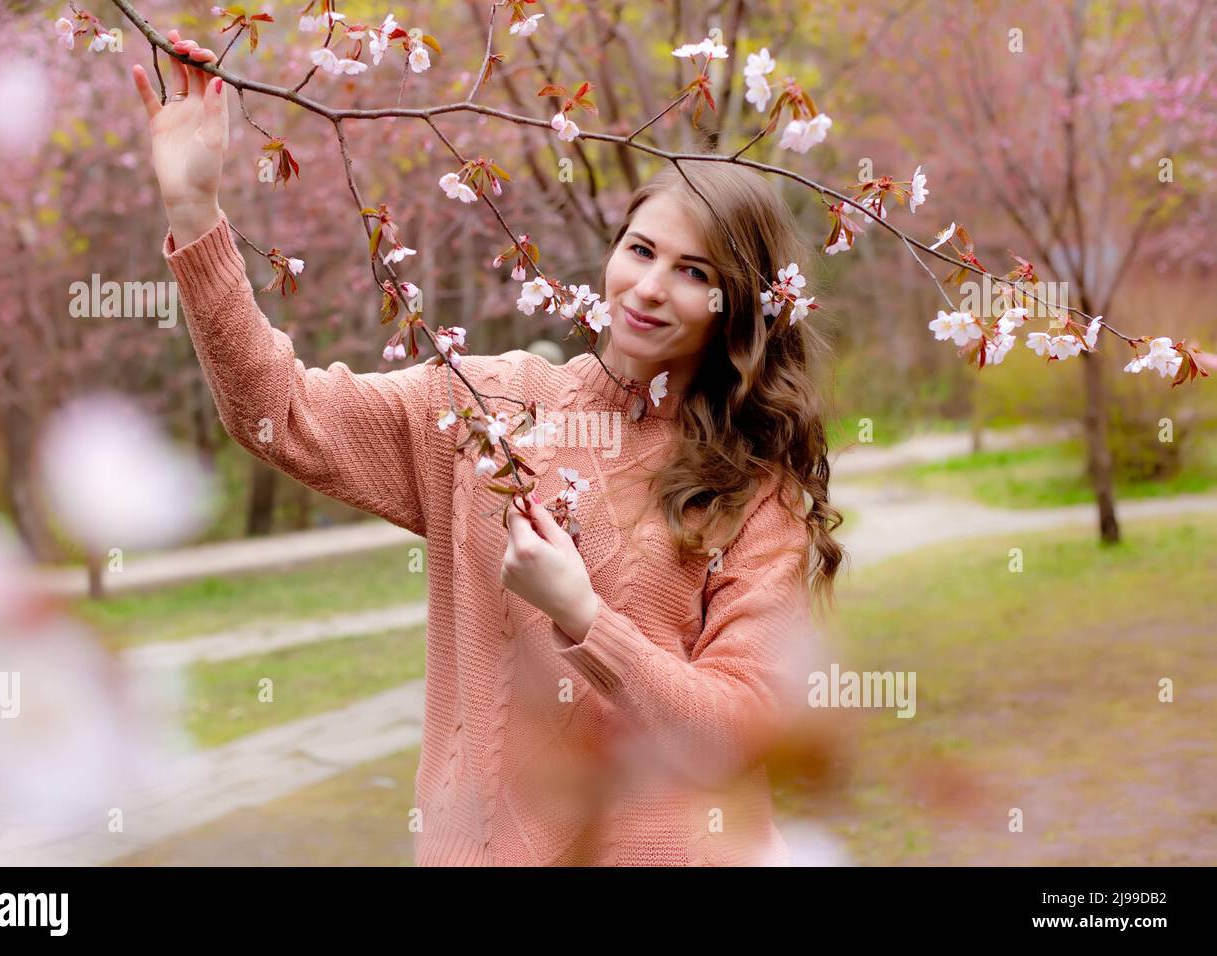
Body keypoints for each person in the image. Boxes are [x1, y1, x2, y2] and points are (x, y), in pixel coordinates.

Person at [132, 31, 846, 866]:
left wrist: (585, 617)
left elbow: (738, 730)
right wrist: (196, 213)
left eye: (695, 273)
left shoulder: (755, 490)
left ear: (736, 307)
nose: (651, 287)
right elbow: (277, 414)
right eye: (641, 251)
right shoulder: (486, 406)